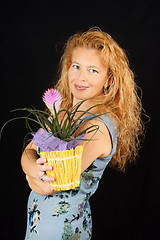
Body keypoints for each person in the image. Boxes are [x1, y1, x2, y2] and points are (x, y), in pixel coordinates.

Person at [21, 27, 144, 239]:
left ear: (109, 80)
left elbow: (55, 184)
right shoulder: (60, 112)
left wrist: (30, 173)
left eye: (93, 70)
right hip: (38, 224)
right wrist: (33, 169)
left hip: (62, 230)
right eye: (76, 66)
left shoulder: (100, 126)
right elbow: (27, 153)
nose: (81, 77)